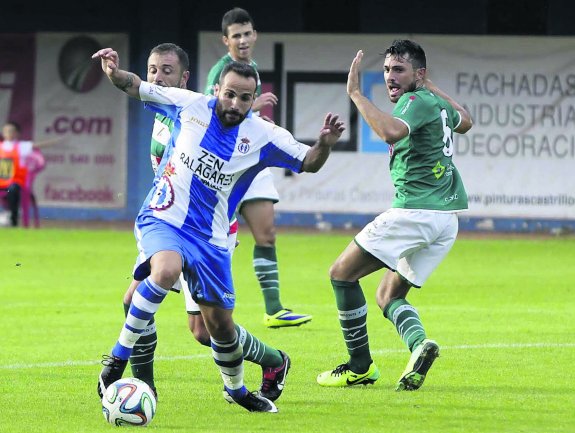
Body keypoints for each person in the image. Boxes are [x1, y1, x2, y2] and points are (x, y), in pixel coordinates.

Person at [92, 47, 344, 412]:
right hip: (164, 219)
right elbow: (133, 85)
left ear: (253, 100)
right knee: (156, 277)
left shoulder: (263, 134)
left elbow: (308, 161)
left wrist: (324, 144)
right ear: (216, 90)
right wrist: (113, 72)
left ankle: (247, 384)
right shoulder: (188, 105)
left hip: (211, 238)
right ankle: (122, 366)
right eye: (229, 93)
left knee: (214, 330)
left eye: (244, 97)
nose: (235, 102)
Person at [122, 43, 291, 403]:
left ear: (183, 78)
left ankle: (274, 360)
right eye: (152, 69)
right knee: (133, 300)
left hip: (205, 235)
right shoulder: (163, 115)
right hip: (168, 226)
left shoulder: (198, 113)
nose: (157, 77)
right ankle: (144, 387)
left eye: (167, 71)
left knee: (204, 331)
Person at [316, 40, 473, 391]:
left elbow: (390, 131)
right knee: (388, 295)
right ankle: (419, 345)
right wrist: (430, 84)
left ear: (419, 73)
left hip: (416, 212)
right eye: (386, 69)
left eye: (399, 69)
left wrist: (355, 93)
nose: (389, 76)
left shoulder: (414, 102)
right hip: (445, 220)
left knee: (341, 275)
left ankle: (359, 367)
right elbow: (467, 121)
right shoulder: (437, 103)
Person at [205, 7, 312, 328]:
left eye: (246, 33)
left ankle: (274, 309)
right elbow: (216, 113)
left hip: (252, 157)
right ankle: (209, 306)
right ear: (226, 40)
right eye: (235, 35)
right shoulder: (221, 71)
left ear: (255, 35)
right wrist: (253, 109)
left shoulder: (250, 67)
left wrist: (254, 116)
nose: (242, 40)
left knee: (266, 234)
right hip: (225, 163)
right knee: (217, 241)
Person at [0, 122, 57, 226]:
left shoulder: (22, 146)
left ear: (17, 133)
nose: (8, 133)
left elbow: (38, 146)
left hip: (14, 181)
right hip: (1, 182)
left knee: (12, 190)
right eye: (6, 131)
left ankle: (13, 218)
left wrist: (56, 141)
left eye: (11, 131)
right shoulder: (1, 146)